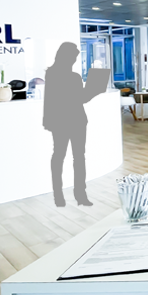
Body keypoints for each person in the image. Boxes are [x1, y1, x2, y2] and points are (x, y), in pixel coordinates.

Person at [43, 42, 101, 207]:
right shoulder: (69, 76)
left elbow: (55, 99)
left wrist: (47, 120)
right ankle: (77, 196)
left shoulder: (52, 74)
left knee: (62, 156)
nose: (75, 60)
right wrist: (94, 90)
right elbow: (80, 98)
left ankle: (62, 196)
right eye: (74, 57)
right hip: (71, 121)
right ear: (66, 56)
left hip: (68, 121)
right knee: (75, 157)